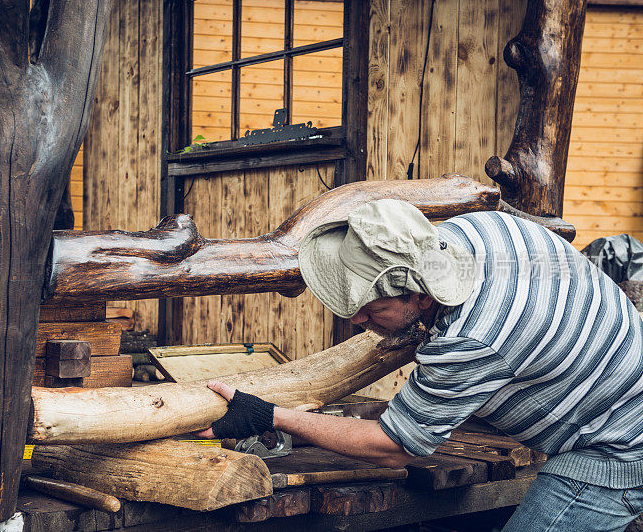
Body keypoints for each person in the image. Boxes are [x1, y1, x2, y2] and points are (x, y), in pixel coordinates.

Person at [197, 199, 643, 531]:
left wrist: (267, 415)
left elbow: (396, 444)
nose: (356, 321)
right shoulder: (474, 232)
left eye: (371, 308)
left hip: (617, 447)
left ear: (423, 295)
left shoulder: (472, 338)